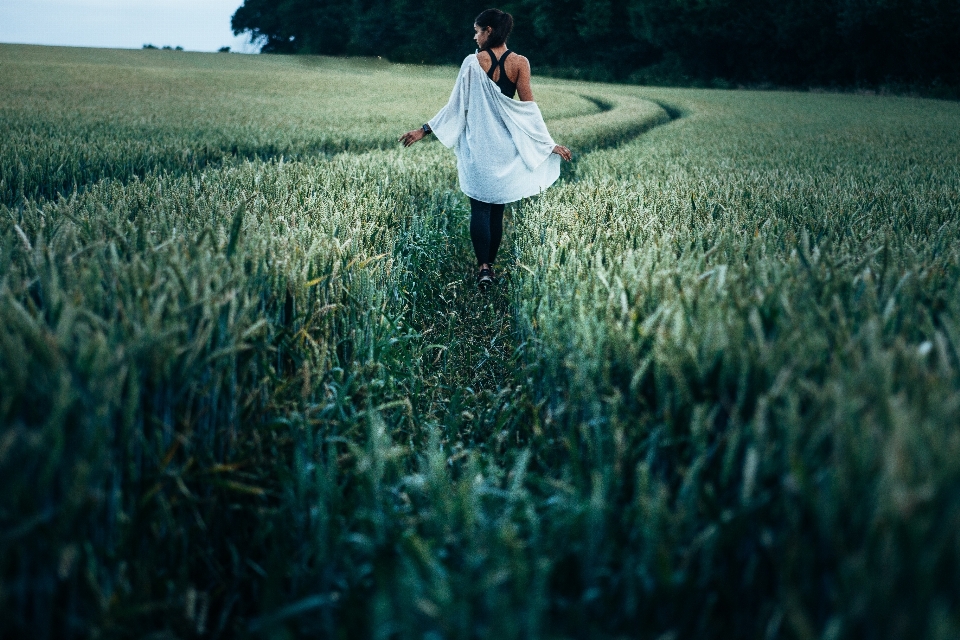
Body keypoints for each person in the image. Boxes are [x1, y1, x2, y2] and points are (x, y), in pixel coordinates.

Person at [399, 8, 572, 290]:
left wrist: (424, 130)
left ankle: (483, 268)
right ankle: (489, 268)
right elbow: (528, 110)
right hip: (505, 148)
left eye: (478, 31)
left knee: (479, 207)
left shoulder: (472, 63)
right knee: (497, 208)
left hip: (478, 147)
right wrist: (547, 144)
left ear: (489, 30)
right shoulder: (520, 63)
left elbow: (456, 106)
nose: (474, 36)